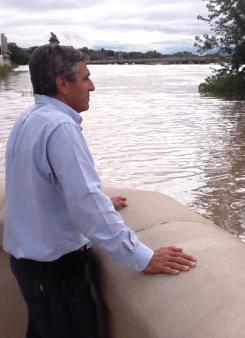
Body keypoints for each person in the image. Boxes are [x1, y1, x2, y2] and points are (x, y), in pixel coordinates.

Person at [3, 36, 197, 338]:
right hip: (57, 272)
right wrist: (143, 257)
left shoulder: (29, 118)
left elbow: (42, 187)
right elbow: (86, 204)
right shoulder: (60, 127)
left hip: (30, 266)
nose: (91, 86)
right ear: (62, 84)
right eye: (86, 77)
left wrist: (101, 201)